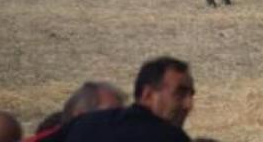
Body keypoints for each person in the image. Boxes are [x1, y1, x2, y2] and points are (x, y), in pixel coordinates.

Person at [48, 56, 194, 142]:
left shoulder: (85, 124)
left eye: (191, 95)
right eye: (179, 93)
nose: (189, 105)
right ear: (148, 95)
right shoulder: (170, 138)